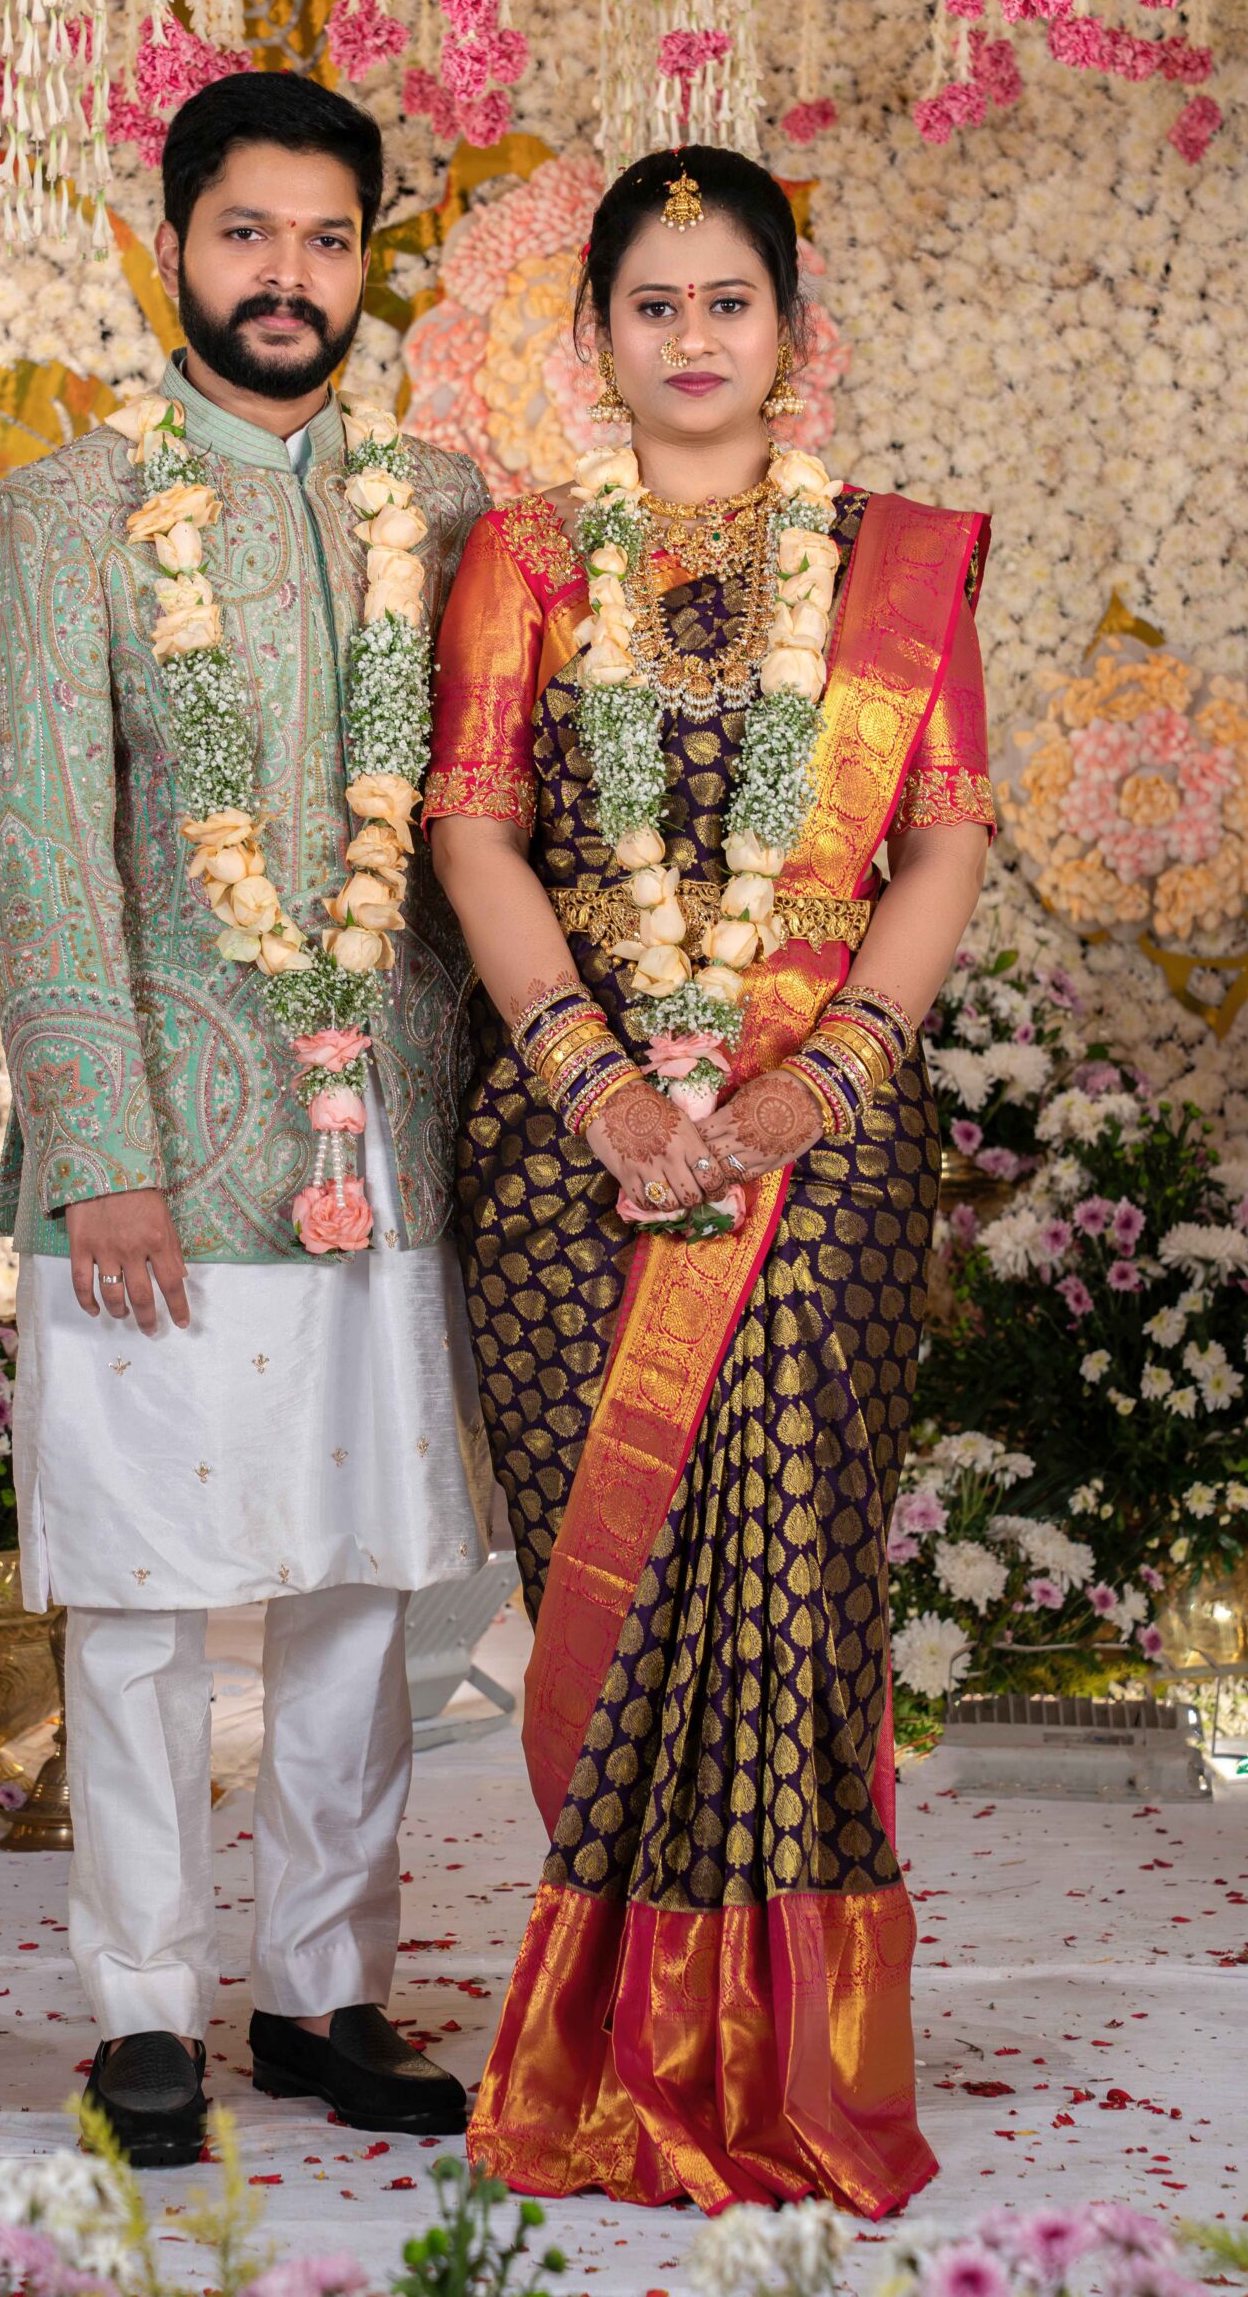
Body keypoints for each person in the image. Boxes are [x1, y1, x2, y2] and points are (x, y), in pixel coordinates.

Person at [425, 144, 994, 2216]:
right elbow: (473, 827)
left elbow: (941, 834)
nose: (689, 338)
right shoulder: (522, 558)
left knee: (790, 1558)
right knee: (621, 1565)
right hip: (569, 1134)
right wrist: (587, 1079)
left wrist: (833, 1072)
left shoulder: (893, 562)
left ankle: (794, 2057)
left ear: (790, 327)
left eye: (724, 300)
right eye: (651, 305)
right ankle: (613, 2045)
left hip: (819, 1136)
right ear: (595, 334)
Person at [0, 72, 492, 2169]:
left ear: (369, 263)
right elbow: (35, 845)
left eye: (327, 239)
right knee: (143, 1598)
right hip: (158, 1162)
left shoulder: (444, 509)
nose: (289, 275)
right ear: (171, 244)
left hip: (388, 1150)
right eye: (248, 232)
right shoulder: (67, 513)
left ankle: (324, 1992)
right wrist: (97, 1144)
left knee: (367, 1591)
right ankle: (141, 2010)